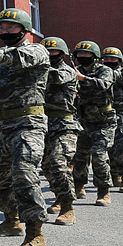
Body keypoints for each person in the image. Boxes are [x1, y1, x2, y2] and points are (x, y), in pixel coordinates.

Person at [0, 9, 50, 246]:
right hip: (1, 124)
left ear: (24, 29)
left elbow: (17, 58)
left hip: (28, 121)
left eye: (11, 27)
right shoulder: (1, 60)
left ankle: (35, 233)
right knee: (0, 176)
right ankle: (11, 219)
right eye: (2, 28)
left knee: (24, 172)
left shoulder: (37, 50)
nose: (5, 32)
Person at [68, 41, 116, 212]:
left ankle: (103, 191)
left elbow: (104, 85)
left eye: (86, 55)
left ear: (95, 57)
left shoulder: (105, 71)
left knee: (99, 155)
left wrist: (82, 79)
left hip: (103, 121)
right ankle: (79, 185)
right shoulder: (76, 70)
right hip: (83, 120)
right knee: (79, 156)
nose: (83, 57)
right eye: (79, 55)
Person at [38, 37, 80, 223]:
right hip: (43, 124)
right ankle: (58, 195)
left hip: (64, 124)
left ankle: (67, 206)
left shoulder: (68, 71)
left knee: (58, 164)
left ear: (62, 54)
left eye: (53, 52)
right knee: (46, 167)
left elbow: (54, 77)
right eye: (46, 52)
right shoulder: (39, 72)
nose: (49, 55)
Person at [101, 47, 123, 191]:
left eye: (112, 59)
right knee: (107, 145)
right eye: (107, 59)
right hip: (106, 112)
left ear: (119, 60)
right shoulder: (100, 73)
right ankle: (114, 175)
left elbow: (115, 76)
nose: (109, 61)